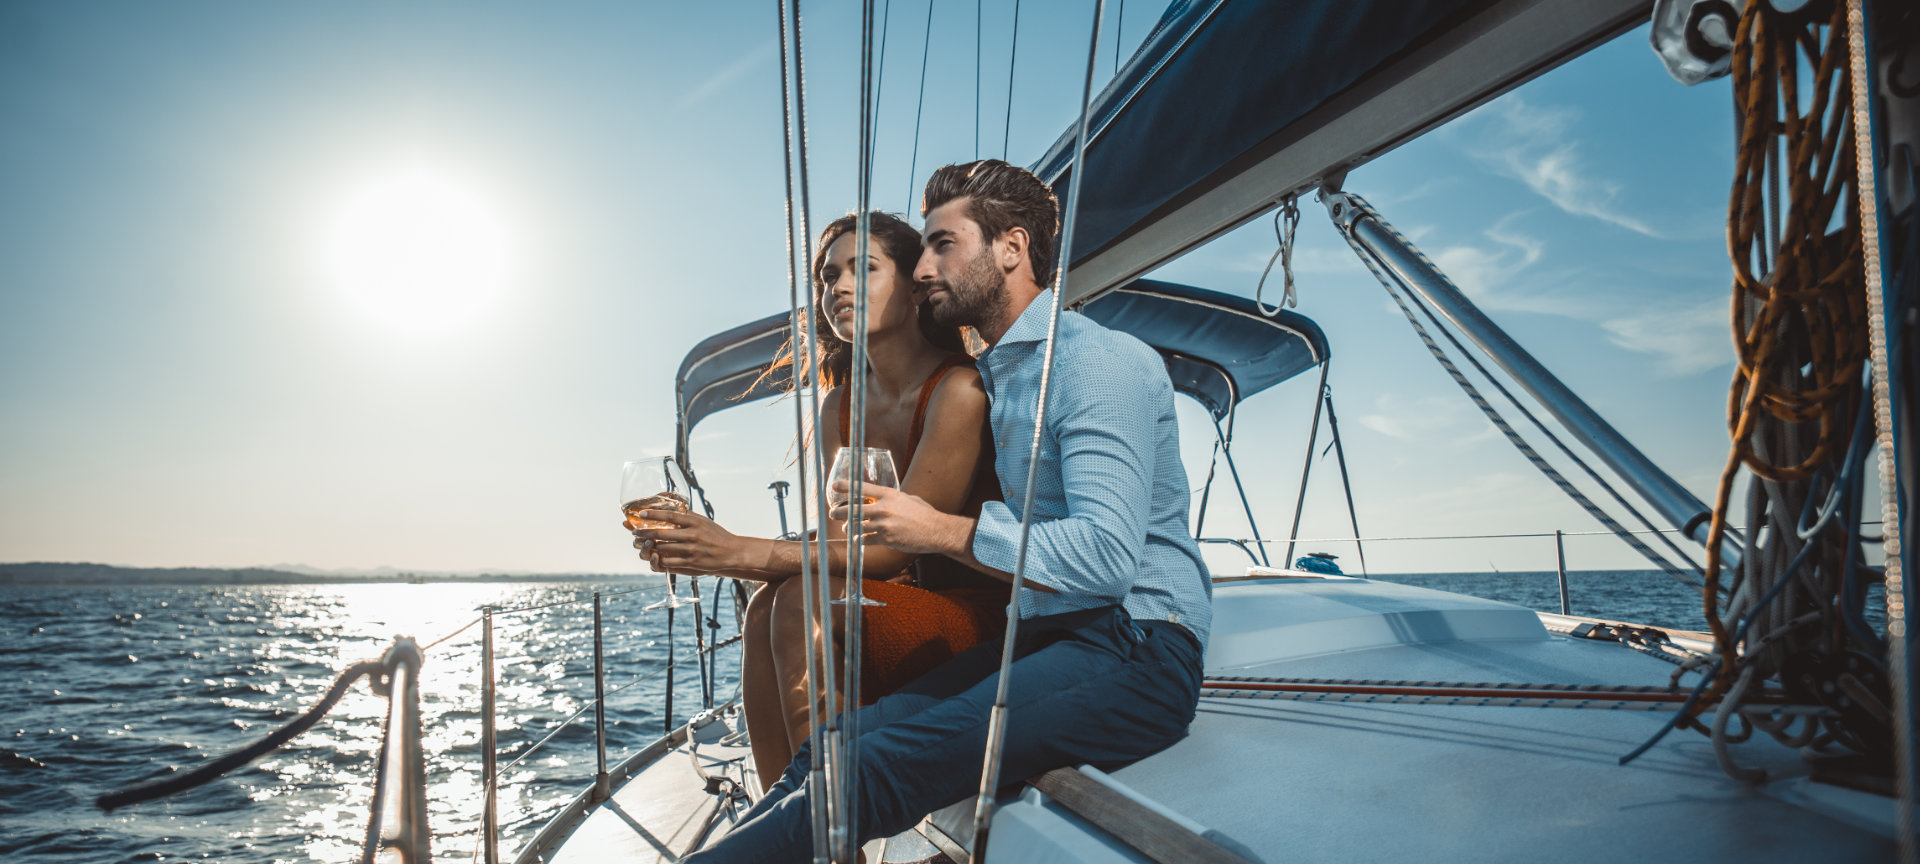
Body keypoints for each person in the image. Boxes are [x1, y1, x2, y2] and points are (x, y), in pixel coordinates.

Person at [683, 160, 1211, 863]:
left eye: (942, 246)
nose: (923, 268)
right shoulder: (1005, 373)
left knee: (869, 771)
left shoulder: (1093, 363)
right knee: (835, 747)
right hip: (1052, 636)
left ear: (1012, 249)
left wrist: (934, 529)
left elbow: (1107, 561)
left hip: (1139, 646)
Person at [629, 211, 1008, 791]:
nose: (840, 287)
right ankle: (788, 819)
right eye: (829, 276)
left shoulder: (959, 389)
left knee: (800, 598)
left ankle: (829, 831)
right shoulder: (839, 405)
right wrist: (719, 552)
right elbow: (840, 542)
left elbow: (887, 554)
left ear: (914, 287)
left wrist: (733, 553)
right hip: (883, 601)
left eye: (865, 268)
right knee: (764, 606)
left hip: (971, 616)